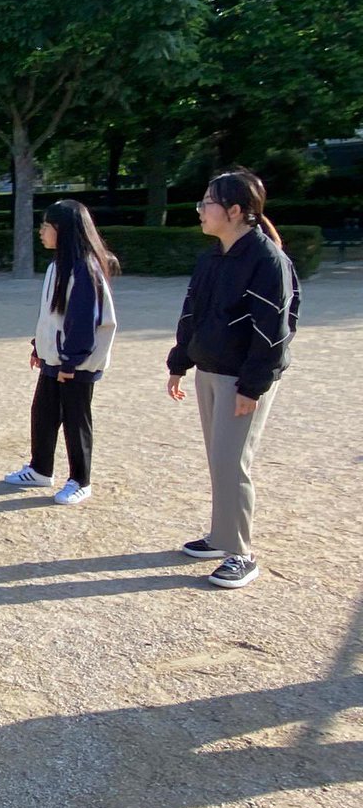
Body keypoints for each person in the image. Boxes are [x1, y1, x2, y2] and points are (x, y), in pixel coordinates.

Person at [167, 169, 299, 589]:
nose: (201, 209)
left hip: (241, 380)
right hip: (210, 370)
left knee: (232, 463)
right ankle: (220, 537)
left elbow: (273, 331)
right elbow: (192, 313)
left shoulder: (267, 261)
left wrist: (252, 387)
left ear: (237, 210)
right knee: (218, 460)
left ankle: (241, 552)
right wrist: (179, 362)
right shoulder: (212, 257)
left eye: (208, 202)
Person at [4, 200, 119, 505]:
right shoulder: (59, 264)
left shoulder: (84, 267)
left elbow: (84, 320)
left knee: (76, 420)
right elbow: (52, 316)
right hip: (56, 358)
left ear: (63, 230)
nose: (41, 231)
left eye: (45, 225)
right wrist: (38, 347)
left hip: (74, 363)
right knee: (43, 414)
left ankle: (81, 479)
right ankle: (40, 468)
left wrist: (72, 359)